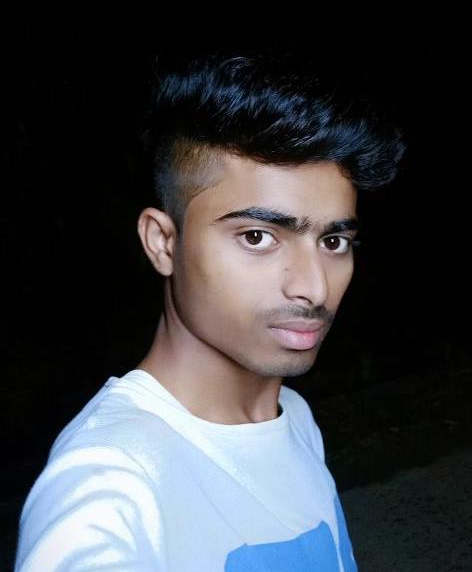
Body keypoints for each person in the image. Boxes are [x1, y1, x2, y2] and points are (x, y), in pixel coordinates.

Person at [15, 53, 405, 571]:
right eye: (258, 237)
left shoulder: (294, 419)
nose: (313, 288)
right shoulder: (109, 481)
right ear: (163, 243)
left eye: (333, 241)